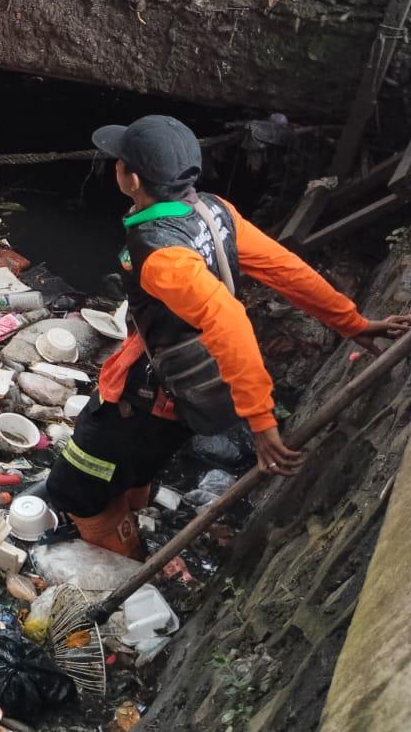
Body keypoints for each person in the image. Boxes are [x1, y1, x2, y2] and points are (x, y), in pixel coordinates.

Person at [44, 114, 411, 558]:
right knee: (133, 465)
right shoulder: (215, 211)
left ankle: (122, 554)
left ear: (133, 178)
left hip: (146, 400)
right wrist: (350, 321)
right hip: (189, 395)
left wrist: (261, 420)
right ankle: (130, 509)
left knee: (74, 488)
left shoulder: (161, 255)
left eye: (118, 162)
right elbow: (286, 270)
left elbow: (228, 318)